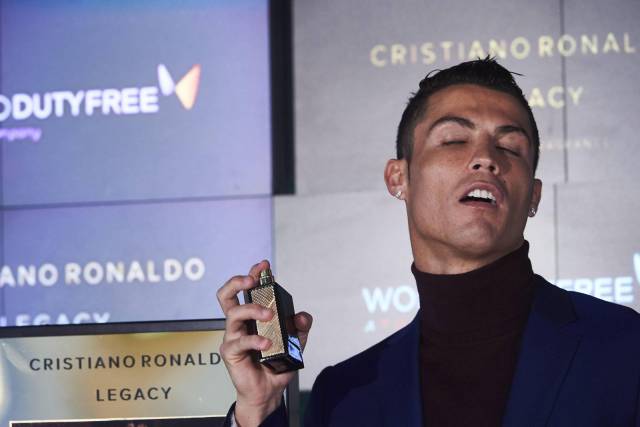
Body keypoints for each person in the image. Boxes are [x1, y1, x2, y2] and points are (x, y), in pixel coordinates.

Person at [217, 58, 640, 426]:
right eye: (454, 140)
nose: (486, 158)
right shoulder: (344, 395)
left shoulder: (625, 348)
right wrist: (259, 408)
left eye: (511, 147)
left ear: (533, 195)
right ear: (398, 177)